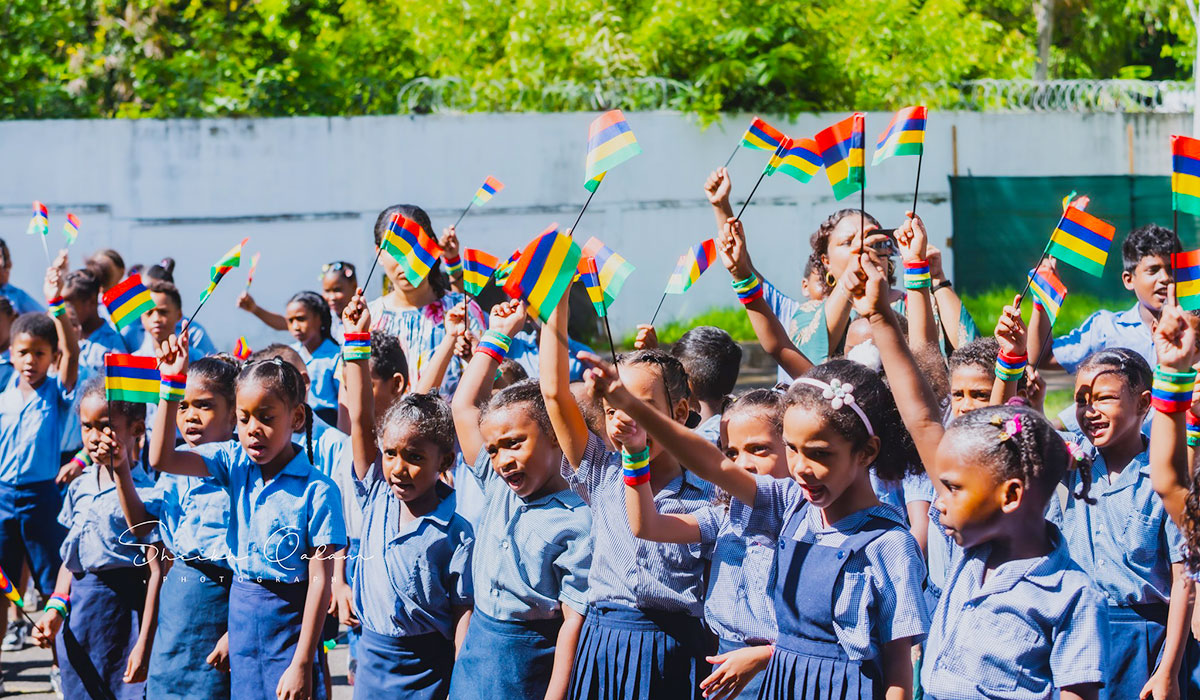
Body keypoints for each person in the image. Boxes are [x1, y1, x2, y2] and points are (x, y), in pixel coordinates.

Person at [856, 248, 1108, 700]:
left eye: (953, 488)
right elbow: (924, 419)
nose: (940, 501)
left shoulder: (1070, 594)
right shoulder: (969, 555)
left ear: (1009, 496)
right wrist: (878, 317)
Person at [148, 330, 347, 700]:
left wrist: (302, 661)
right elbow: (161, 458)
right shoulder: (234, 463)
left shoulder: (319, 490)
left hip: (289, 624)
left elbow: (319, 582)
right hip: (241, 615)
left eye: (266, 417)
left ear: (297, 417)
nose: (253, 429)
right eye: (243, 418)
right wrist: (170, 384)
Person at [542, 291, 717, 699]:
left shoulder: (709, 494)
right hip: (604, 644)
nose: (625, 420)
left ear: (679, 412)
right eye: (612, 409)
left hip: (675, 651)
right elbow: (554, 393)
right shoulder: (602, 471)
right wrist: (558, 296)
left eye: (640, 407)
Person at [449, 299, 592, 700]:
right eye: (493, 449)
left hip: (527, 663)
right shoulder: (497, 486)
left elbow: (572, 623)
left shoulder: (578, 520)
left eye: (515, 444)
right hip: (478, 651)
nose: (502, 459)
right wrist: (500, 333)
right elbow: (463, 406)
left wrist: (556, 694)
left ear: (553, 436)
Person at [706, 170, 976, 370]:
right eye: (848, 243)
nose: (861, 248)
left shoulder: (919, 304)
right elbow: (801, 356)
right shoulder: (808, 313)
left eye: (871, 239)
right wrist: (850, 281)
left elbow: (969, 349)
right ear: (825, 261)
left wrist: (937, 279)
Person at [616, 387, 789, 700]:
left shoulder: (799, 516)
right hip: (725, 666)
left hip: (781, 670)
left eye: (759, 449)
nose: (743, 463)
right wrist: (634, 452)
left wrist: (765, 656)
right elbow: (647, 525)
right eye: (731, 452)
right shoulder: (725, 514)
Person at [342, 292, 473, 698]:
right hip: (373, 661)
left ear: (445, 461)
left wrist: (461, 681)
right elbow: (362, 418)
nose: (398, 467)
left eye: (415, 457)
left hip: (427, 670)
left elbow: (462, 610)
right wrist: (356, 339)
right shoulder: (376, 494)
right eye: (390, 454)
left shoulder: (455, 527)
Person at [1045, 345, 1190, 700]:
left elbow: (1184, 580)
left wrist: (1168, 671)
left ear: (1143, 404)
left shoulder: (1165, 477)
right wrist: (1013, 369)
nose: (1089, 411)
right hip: (1076, 629)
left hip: (1145, 636)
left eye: (1105, 398)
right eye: (1081, 400)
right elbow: (1003, 431)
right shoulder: (1072, 459)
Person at [111, 355, 239, 699]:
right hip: (178, 604)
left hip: (222, 602)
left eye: (205, 405)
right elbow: (140, 527)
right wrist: (122, 469)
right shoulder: (174, 468)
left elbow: (159, 456)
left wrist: (235, 631)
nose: (190, 416)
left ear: (234, 413)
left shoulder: (239, 468)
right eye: (182, 406)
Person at [31, 378, 164, 700]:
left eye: (105, 427)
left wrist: (144, 645)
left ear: (137, 430)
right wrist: (54, 609)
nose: (93, 437)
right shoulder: (79, 486)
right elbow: (71, 559)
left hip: (126, 615)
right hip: (82, 616)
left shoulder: (149, 493)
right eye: (86, 427)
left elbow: (156, 572)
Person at [0, 257, 77, 686]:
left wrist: (56, 299)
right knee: (3, 582)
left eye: (40, 353)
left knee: (51, 584)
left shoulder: (58, 393)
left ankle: (57, 665)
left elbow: (73, 349)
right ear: (11, 355)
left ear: (52, 357)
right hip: (3, 496)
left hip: (41, 496)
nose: (31, 361)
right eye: (23, 352)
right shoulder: (3, 393)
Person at [366, 204, 485, 396]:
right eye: (395, 249)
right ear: (378, 252)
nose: (406, 260)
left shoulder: (463, 312)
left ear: (431, 247)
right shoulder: (368, 319)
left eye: (414, 246)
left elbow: (488, 382)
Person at [1030, 223, 1176, 375]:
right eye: (1153, 270)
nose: (1165, 278)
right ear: (1129, 280)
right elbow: (1042, 358)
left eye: (1172, 269)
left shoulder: (1194, 328)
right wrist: (1042, 300)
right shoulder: (1106, 329)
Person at [281, 291, 341, 426]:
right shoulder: (290, 354)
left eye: (301, 319)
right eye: (290, 321)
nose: (295, 326)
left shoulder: (336, 356)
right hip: (296, 425)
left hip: (328, 424)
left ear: (319, 318)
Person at [136, 281, 217, 361]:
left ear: (179, 315)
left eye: (163, 312)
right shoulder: (135, 362)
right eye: (149, 313)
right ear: (142, 318)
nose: (156, 319)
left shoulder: (196, 359)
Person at [0, 238, 46, 314]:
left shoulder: (15, 294)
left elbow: (44, 318)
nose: (8, 264)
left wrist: (55, 298)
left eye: (7, 258)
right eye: (2, 257)